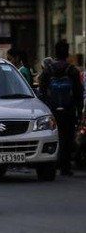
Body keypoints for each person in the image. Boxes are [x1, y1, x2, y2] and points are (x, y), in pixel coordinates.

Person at [37, 40, 83, 176]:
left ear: (54, 52)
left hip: (52, 109)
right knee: (68, 136)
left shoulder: (48, 70)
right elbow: (78, 93)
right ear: (67, 53)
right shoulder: (72, 70)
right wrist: (79, 111)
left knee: (53, 135)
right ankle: (65, 166)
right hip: (68, 109)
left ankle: (53, 162)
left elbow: (42, 92)